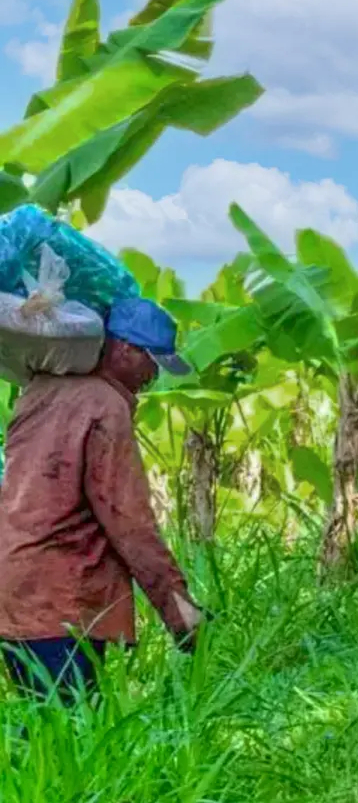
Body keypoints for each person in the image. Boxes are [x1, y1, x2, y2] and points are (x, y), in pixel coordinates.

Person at [0, 297, 203, 703]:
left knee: (37, 737)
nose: (154, 376)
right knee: (71, 736)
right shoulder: (105, 405)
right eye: (152, 362)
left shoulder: (38, 391)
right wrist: (179, 612)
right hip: (63, 604)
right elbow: (129, 522)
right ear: (125, 350)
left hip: (15, 595)